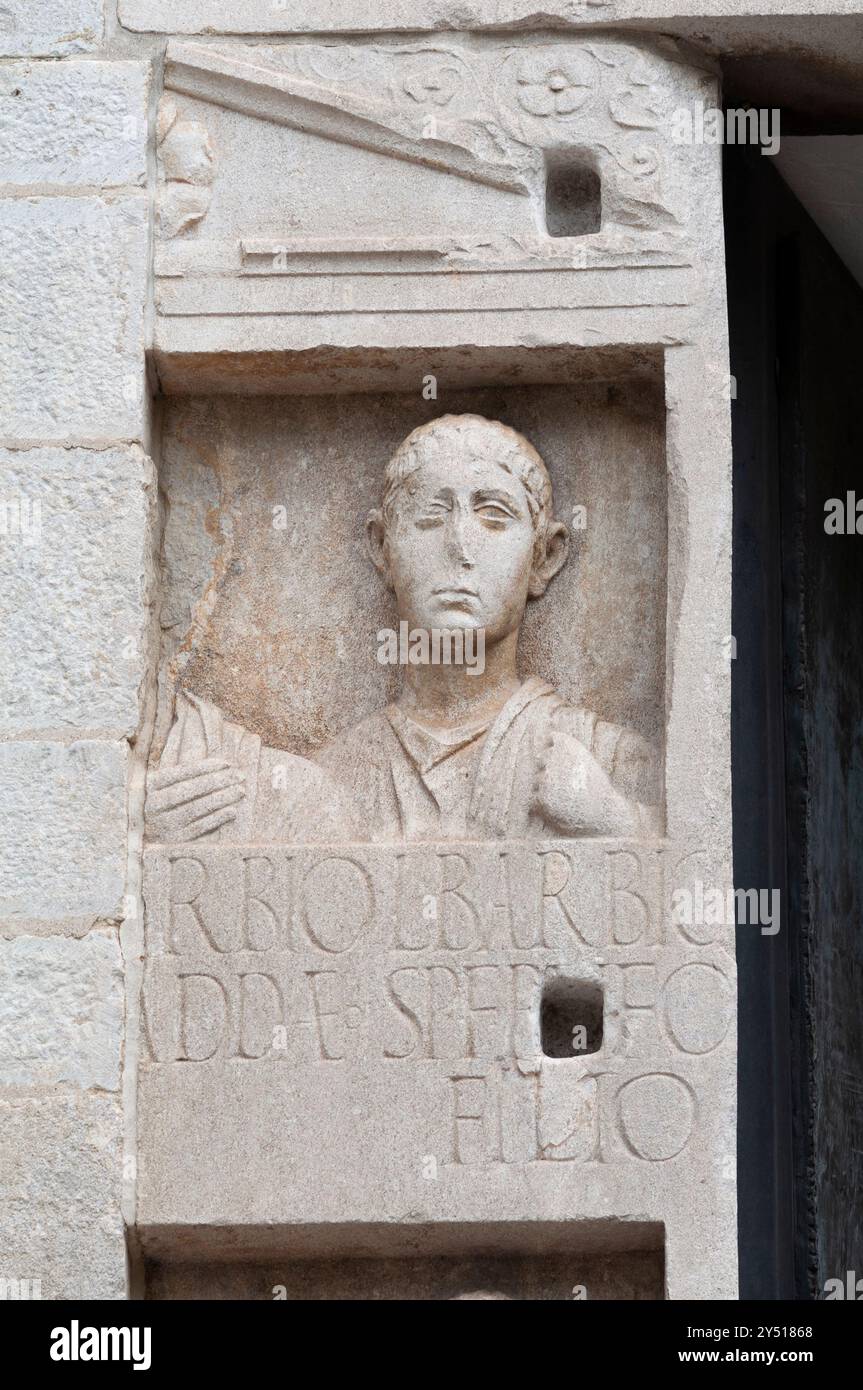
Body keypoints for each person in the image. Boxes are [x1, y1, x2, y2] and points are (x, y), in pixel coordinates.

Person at [145, 414, 660, 844]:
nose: (460, 545)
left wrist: (616, 821)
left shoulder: (605, 760)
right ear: (381, 548)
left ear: (544, 557)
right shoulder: (330, 778)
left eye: (493, 516)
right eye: (430, 516)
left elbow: (697, 894)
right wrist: (154, 835)